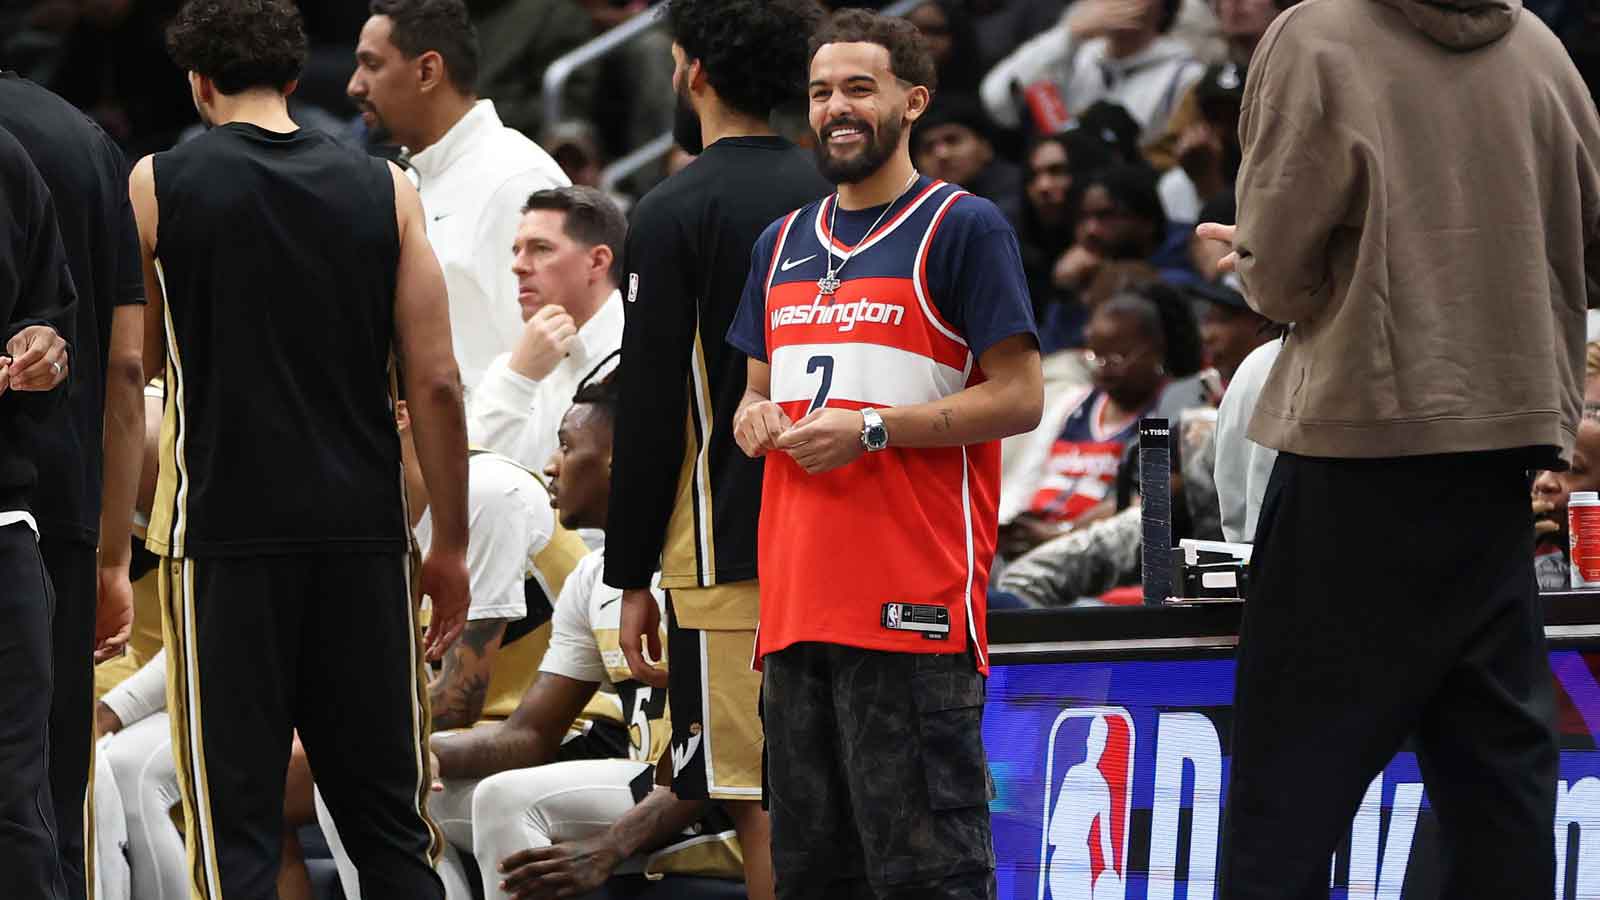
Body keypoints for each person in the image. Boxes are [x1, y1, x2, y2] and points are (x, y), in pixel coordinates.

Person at [1196, 0, 1600, 895]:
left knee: (1289, 793)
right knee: (1499, 792)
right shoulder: (1542, 51)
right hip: (1501, 458)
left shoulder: (1316, 36)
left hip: (1357, 450)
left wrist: (1240, 258)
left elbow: (1283, 276)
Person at [130, 2, 472, 896]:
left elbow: (133, 370)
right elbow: (437, 383)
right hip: (363, 533)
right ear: (294, 78)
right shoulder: (389, 189)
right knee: (390, 828)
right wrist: (453, 544)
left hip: (227, 537)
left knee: (233, 828)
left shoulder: (157, 183)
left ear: (199, 82)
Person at [726, 10, 1043, 898]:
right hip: (793, 613)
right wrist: (753, 417)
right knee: (813, 877)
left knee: (926, 877)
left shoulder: (963, 227)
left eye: (859, 88)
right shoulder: (780, 243)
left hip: (912, 606)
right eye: (823, 91)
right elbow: (757, 392)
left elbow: (1021, 397)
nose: (837, 107)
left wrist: (873, 428)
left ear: (914, 99)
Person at [604, 3, 831, 898]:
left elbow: (652, 410)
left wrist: (629, 577)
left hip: (730, 541)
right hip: (851, 531)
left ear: (693, 71)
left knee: (759, 799)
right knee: (844, 788)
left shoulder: (670, 211)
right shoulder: (845, 192)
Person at [434, 369, 744, 899]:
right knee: (388, 791)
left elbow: (728, 750)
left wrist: (610, 845)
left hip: (717, 797)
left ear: (619, 462)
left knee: (507, 800)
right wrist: (417, 753)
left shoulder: (710, 568)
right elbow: (527, 735)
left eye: (566, 444)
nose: (549, 467)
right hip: (639, 784)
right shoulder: (593, 578)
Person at [0, 71, 146, 900]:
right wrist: (112, 549)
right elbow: (126, 366)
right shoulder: (83, 140)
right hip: (47, 509)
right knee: (42, 799)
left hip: (24, 505)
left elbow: (107, 353)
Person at [347, 0, 569, 390]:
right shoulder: (407, 180)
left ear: (427, 71)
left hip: (492, 449)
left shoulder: (518, 181)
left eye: (372, 64)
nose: (355, 85)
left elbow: (554, 372)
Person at [0, 121, 76, 900]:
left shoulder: (7, 159)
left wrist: (45, 348)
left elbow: (53, 314)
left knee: (15, 804)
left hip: (3, 527)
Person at [999, 281, 1201, 559]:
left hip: (1096, 553)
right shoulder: (1072, 404)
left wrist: (1064, 533)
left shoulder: (1173, 408)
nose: (1104, 369)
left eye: (1117, 358)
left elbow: (1146, 502)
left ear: (1156, 350)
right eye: (1095, 356)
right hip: (1032, 536)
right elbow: (1027, 478)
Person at [467, 186, 626, 477]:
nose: (518, 266)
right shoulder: (511, 368)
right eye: (516, 251)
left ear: (598, 261)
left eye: (541, 248)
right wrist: (517, 379)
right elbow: (471, 484)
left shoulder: (648, 352)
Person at [979, 0, 1203, 139]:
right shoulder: (1075, 53)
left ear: (1165, 8)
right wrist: (1069, 33)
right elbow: (998, 101)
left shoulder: (1184, 74)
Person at [911, 94, 1024, 224]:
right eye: (928, 148)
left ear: (985, 147)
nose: (942, 154)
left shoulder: (1023, 191)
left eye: (952, 140)